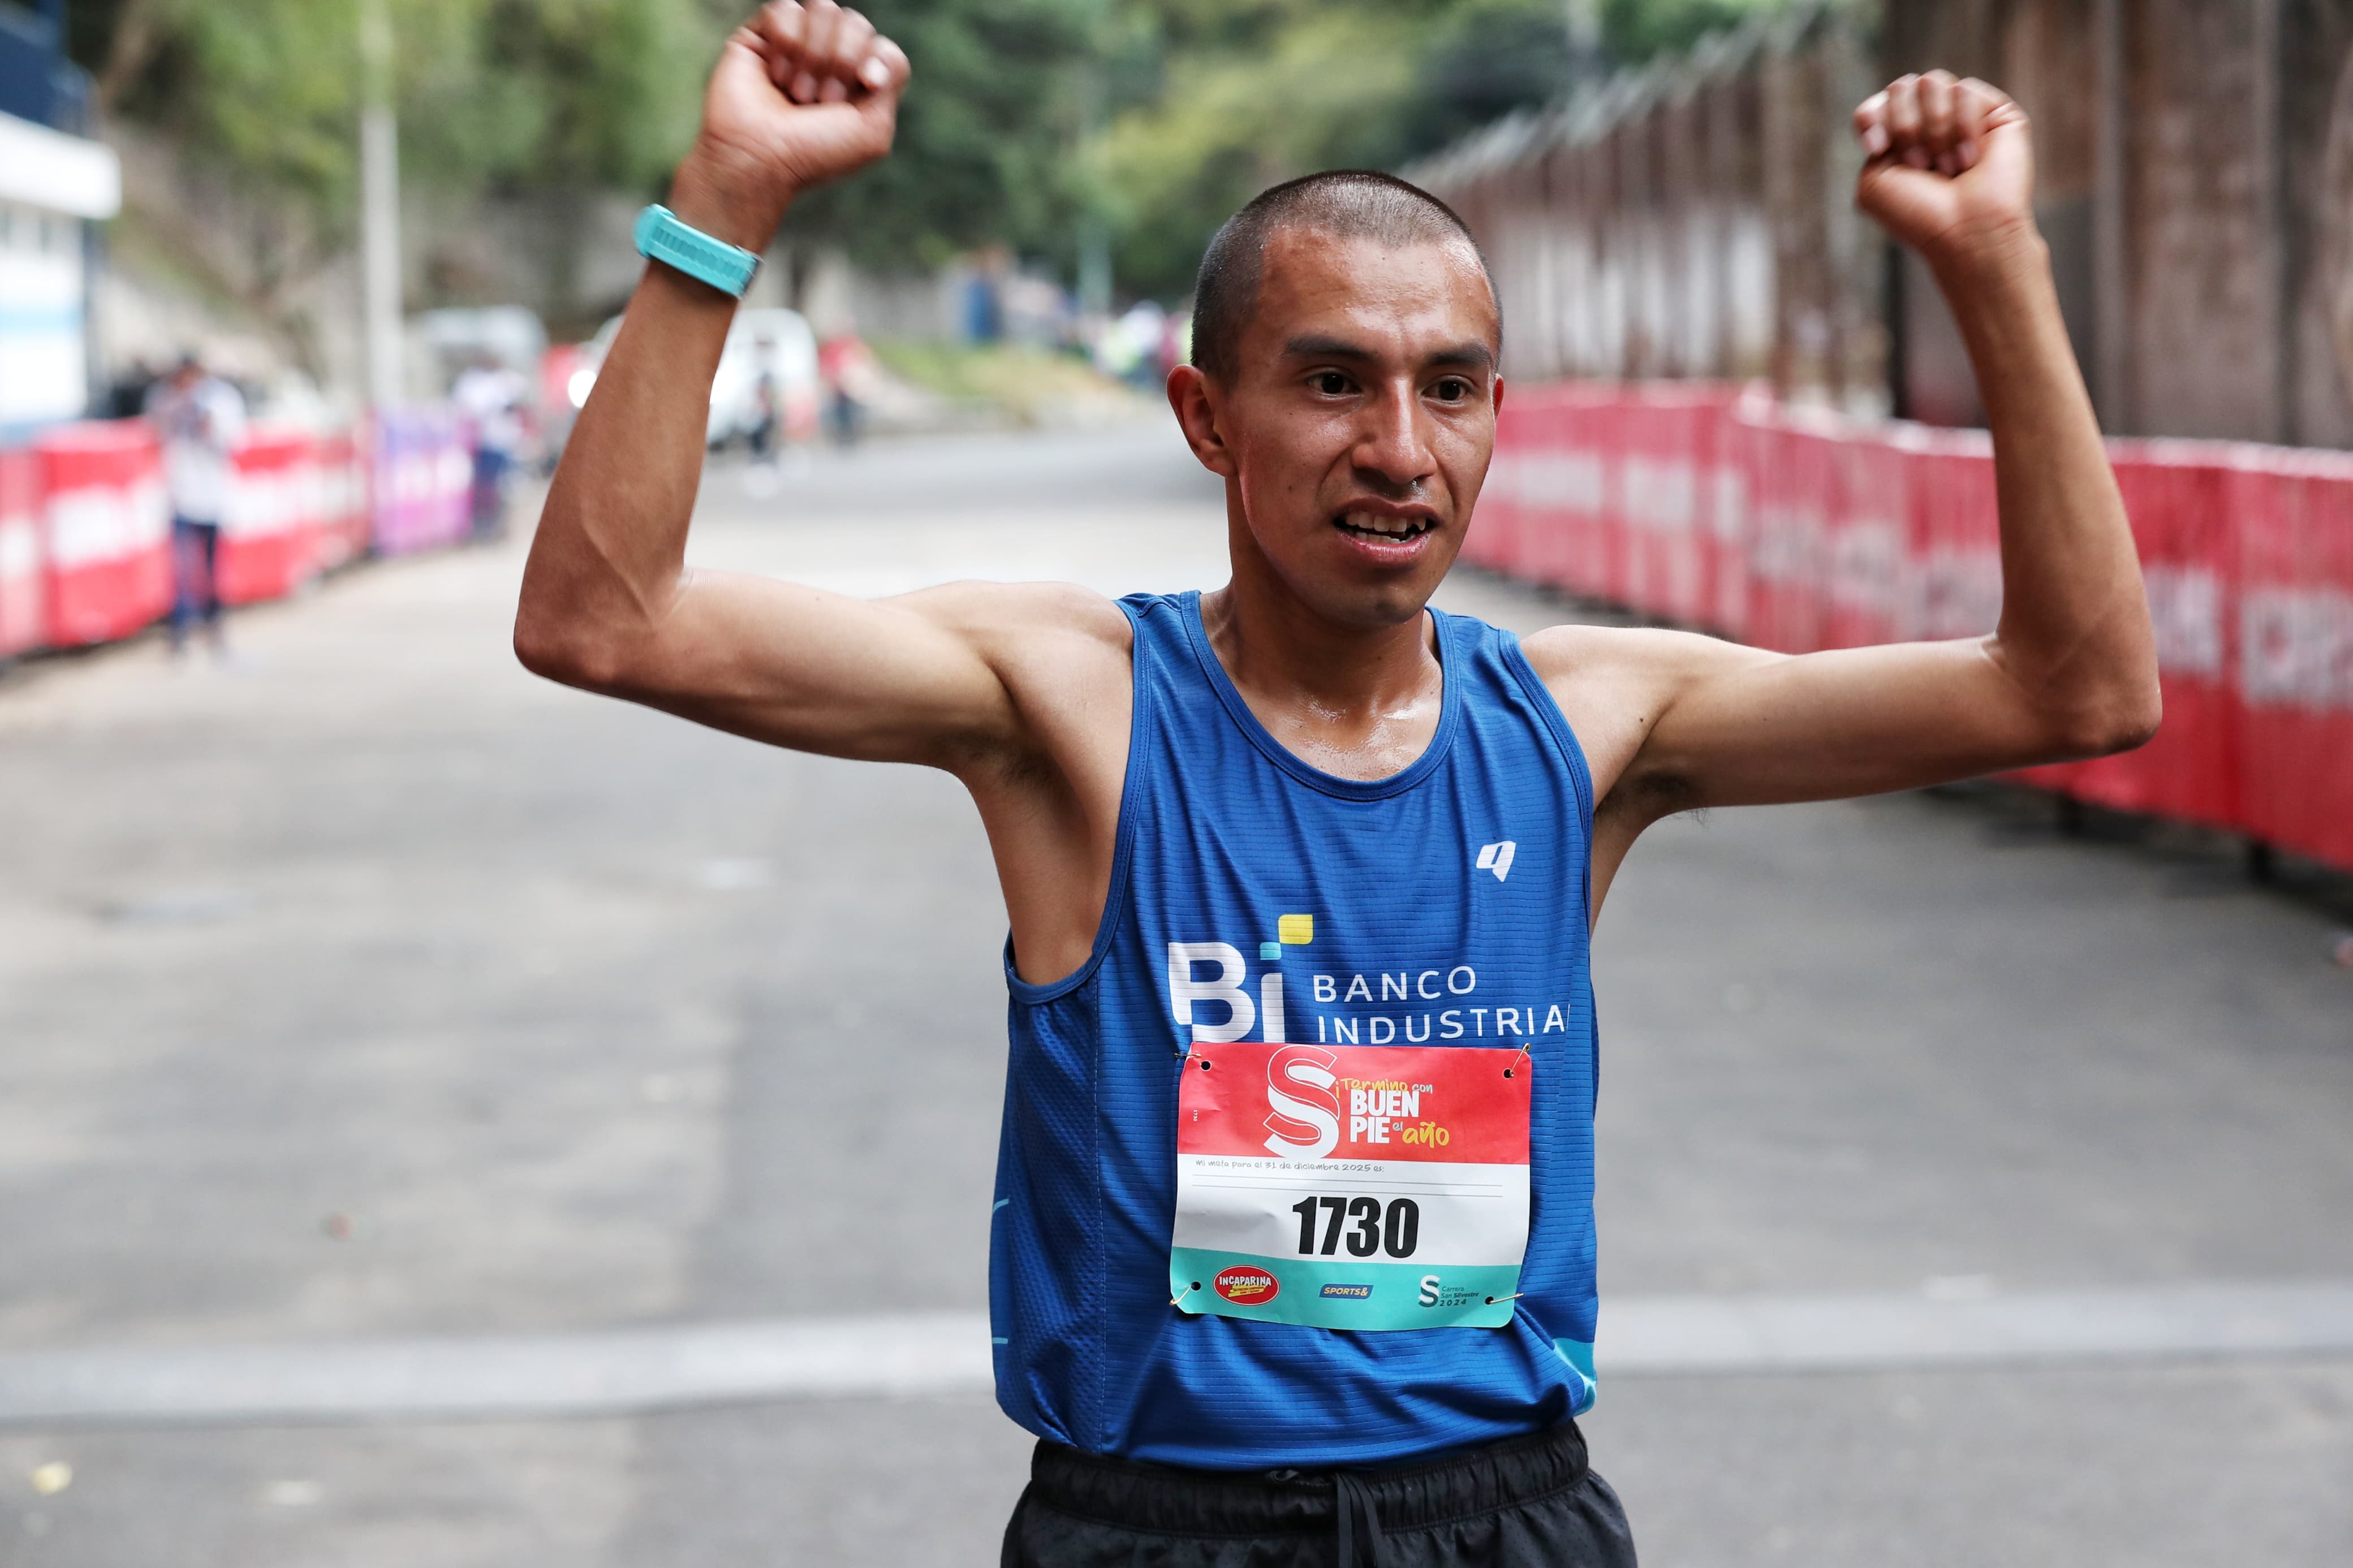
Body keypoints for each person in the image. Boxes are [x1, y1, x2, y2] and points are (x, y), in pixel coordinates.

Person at [514, 7, 2159, 1563]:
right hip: (1157, 1527)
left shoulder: (1588, 723)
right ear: (1204, 418)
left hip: (1505, 1515)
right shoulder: (1075, 707)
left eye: (1447, 387)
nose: (1399, 446)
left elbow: (2073, 687)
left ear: (1494, 416)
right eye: (1331, 382)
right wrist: (727, 195)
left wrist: (1992, 261)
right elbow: (607, 620)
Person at [145, 352, 246, 657]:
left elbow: (232, 440)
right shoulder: (165, 397)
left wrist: (205, 416)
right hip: (179, 496)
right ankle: (180, 632)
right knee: (181, 569)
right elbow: (154, 429)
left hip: (213, 496)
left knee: (213, 568)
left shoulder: (220, 398)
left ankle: (215, 627)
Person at [451, 352, 529, 541]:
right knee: (484, 487)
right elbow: (467, 410)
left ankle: (500, 527)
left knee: (506, 487)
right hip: (482, 443)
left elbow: (522, 401)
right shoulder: (471, 382)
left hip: (505, 442)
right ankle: (483, 527)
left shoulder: (506, 380)